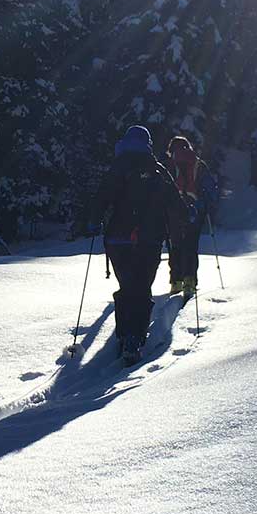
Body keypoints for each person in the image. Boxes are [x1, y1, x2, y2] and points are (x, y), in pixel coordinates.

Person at [88, 125, 188, 364]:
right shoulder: (157, 170)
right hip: (149, 239)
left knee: (127, 286)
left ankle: (124, 335)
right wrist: (186, 219)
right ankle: (135, 338)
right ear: (148, 144)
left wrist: (92, 221)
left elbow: (101, 198)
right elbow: (175, 203)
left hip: (118, 240)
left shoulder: (117, 168)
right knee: (142, 287)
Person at [163, 135, 218, 297]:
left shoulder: (168, 164)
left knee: (175, 244)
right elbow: (210, 189)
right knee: (191, 244)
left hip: (173, 211)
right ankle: (190, 281)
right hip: (195, 209)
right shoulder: (198, 164)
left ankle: (175, 281)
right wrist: (205, 204)